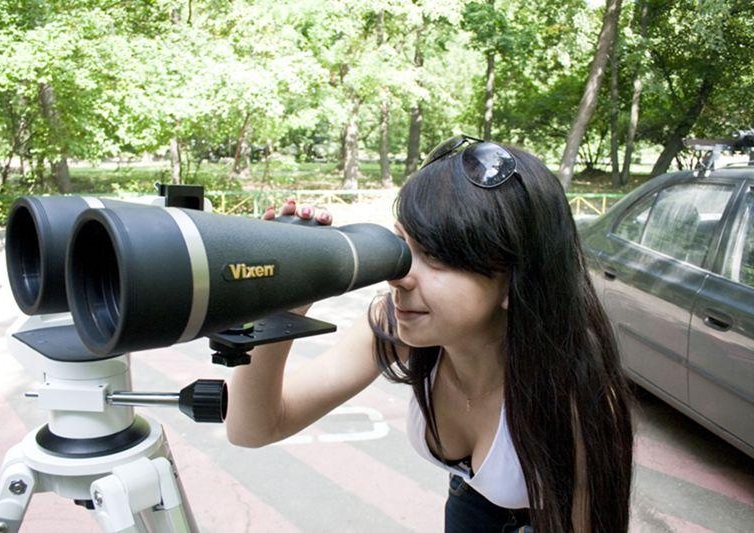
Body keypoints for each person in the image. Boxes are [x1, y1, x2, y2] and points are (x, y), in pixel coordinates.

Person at [226, 135, 634, 532]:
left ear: (514, 281)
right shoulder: (395, 322)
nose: (398, 276)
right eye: (402, 244)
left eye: (435, 255)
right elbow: (254, 428)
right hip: (466, 502)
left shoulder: (574, 391)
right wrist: (279, 306)